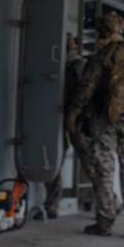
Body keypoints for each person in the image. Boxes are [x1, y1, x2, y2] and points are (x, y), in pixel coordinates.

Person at [65, 12, 124, 238]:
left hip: (106, 120)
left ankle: (105, 221)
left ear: (103, 33)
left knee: (104, 171)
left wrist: (73, 113)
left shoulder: (100, 58)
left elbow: (86, 90)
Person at [46, 34, 90, 217]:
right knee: (52, 161)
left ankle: (108, 201)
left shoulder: (79, 67)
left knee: (91, 163)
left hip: (76, 120)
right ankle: (52, 203)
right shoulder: (57, 66)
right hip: (59, 117)